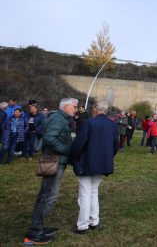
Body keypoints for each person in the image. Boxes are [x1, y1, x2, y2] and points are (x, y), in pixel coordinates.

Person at [24, 98, 78, 245]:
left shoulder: (61, 119)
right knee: (48, 196)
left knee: (46, 195)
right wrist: (67, 150)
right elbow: (49, 139)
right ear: (66, 107)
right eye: (74, 106)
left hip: (55, 160)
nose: (76, 109)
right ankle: (34, 234)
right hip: (54, 161)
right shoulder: (57, 119)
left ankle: (38, 227)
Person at [70, 101, 118, 234]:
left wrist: (74, 157)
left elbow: (79, 143)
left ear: (95, 110)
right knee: (93, 192)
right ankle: (94, 220)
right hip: (102, 163)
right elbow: (115, 146)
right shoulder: (112, 124)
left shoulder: (89, 123)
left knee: (85, 193)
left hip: (87, 162)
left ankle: (83, 225)